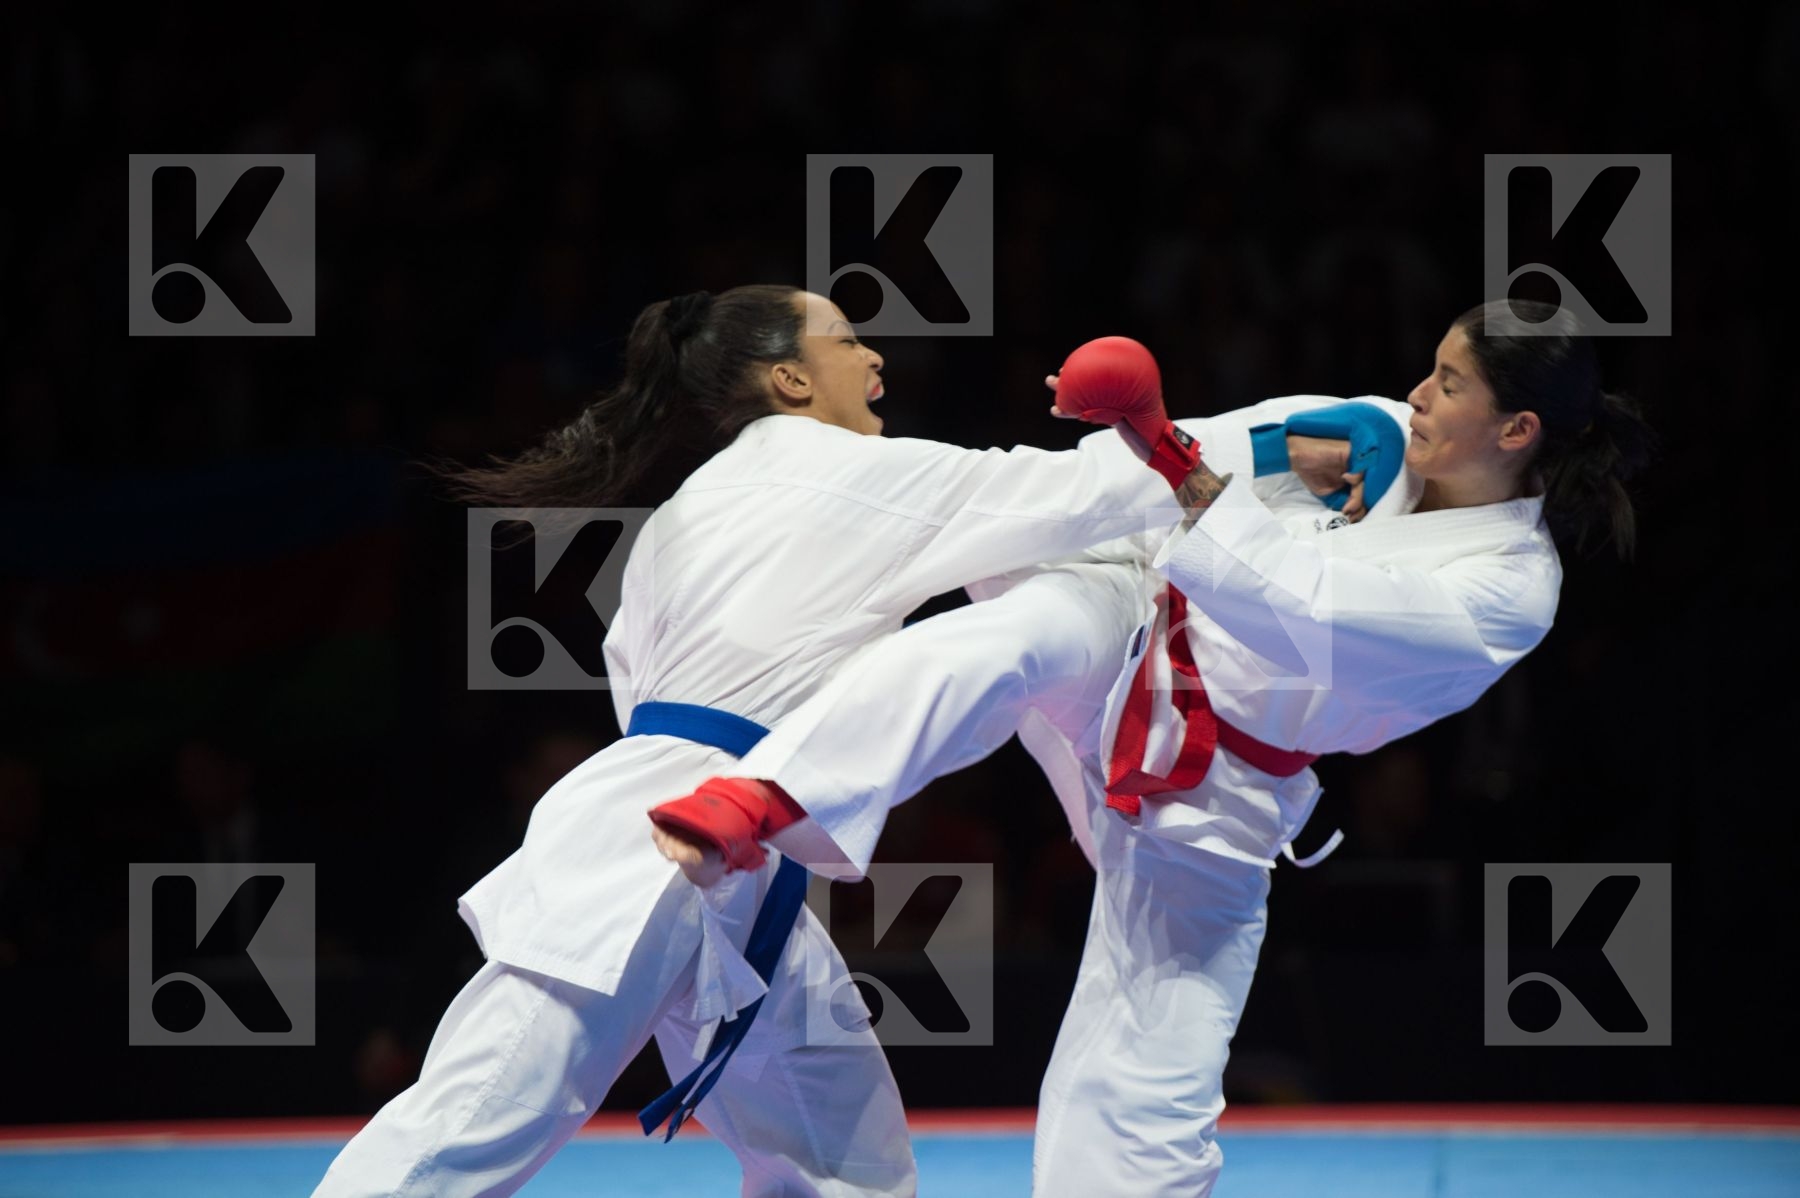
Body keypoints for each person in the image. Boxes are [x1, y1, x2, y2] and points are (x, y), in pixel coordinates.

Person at [653, 299, 1654, 1196]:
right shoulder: (1386, 432)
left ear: (1517, 428)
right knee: (1011, 636)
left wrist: (1165, 448)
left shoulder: (1507, 590)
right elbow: (1195, 454)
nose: (1416, 392)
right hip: (1131, 624)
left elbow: (1305, 608)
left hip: (1215, 798)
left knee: (1138, 1097)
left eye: (1448, 381)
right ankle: (763, 796)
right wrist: (1168, 437)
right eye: (1430, 367)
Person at [312, 283, 1211, 1198]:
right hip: (654, 853)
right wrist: (1292, 446)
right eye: (847, 339)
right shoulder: (850, 468)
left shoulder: (678, 516)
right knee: (471, 1126)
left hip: (731, 863)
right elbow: (1089, 488)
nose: (875, 360)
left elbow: (634, 684)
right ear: (790, 377)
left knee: (843, 1166)